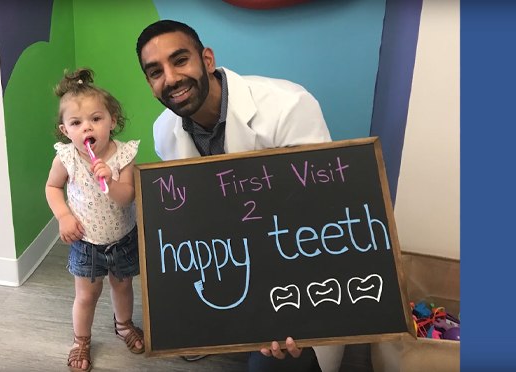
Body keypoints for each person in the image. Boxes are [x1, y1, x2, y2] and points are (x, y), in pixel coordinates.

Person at [135, 20, 346, 372]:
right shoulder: (164, 133)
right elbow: (185, 217)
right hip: (229, 261)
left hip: (297, 265)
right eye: (156, 72)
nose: (170, 78)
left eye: (180, 60)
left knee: (273, 364)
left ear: (207, 59)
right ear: (150, 84)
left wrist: (287, 307)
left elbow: (321, 215)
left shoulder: (288, 107)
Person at [45, 68, 144, 372]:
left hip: (122, 237)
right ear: (65, 130)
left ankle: (124, 325)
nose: (87, 128)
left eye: (96, 119)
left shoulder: (124, 156)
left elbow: (128, 196)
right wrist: (63, 216)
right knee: (86, 295)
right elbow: (52, 187)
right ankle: (81, 340)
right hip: (86, 242)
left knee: (123, 286)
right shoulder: (67, 158)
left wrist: (111, 182)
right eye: (77, 123)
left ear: (112, 120)